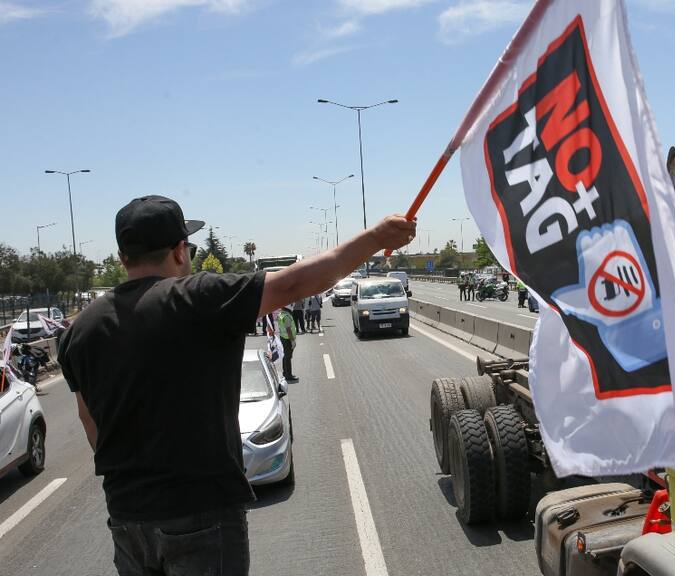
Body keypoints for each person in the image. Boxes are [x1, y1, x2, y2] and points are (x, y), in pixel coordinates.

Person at [56, 195, 415, 576]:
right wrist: (377, 237)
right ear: (180, 251)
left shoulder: (80, 329)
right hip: (202, 514)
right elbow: (296, 283)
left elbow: (90, 421)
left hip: (127, 519)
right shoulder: (198, 297)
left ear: (123, 257)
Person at [277, 305, 298, 382]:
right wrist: (292, 340)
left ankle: (285, 373)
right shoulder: (286, 316)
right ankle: (288, 375)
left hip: (283, 337)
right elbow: (288, 329)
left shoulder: (281, 314)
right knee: (288, 357)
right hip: (287, 339)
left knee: (285, 356)